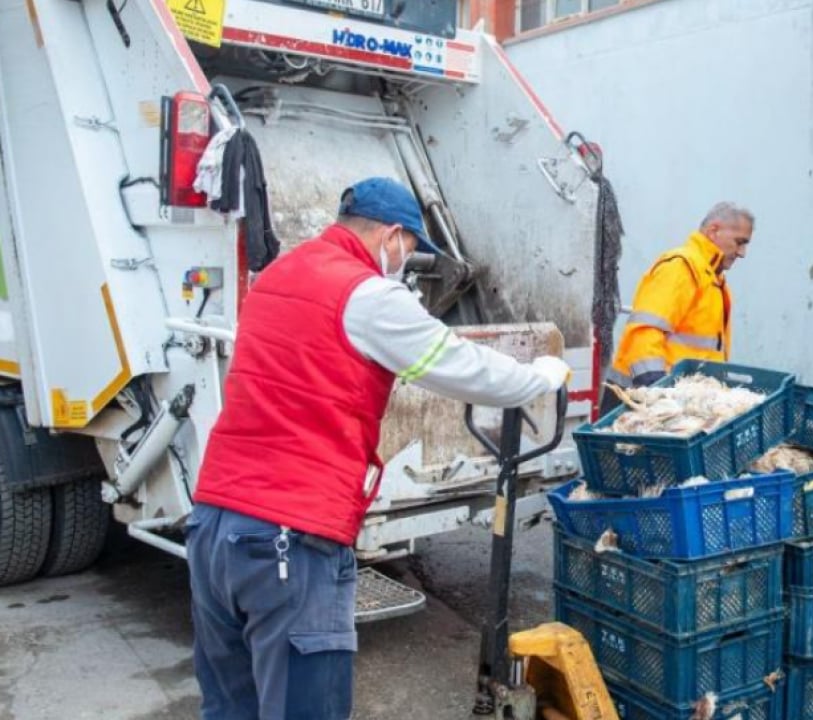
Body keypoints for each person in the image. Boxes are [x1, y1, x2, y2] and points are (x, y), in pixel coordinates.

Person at [185, 177, 570, 720]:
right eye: (411, 249)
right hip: (290, 534)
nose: (408, 262)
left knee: (230, 708)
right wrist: (539, 377)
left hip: (214, 526)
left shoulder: (277, 276)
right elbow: (460, 366)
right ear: (392, 236)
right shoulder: (367, 294)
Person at [600, 202, 753, 414]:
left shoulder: (713, 280)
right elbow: (644, 332)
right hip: (640, 401)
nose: (742, 252)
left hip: (675, 402)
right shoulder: (682, 267)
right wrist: (658, 391)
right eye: (739, 242)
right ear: (714, 231)